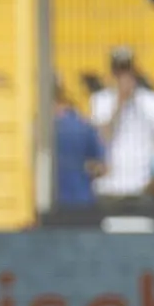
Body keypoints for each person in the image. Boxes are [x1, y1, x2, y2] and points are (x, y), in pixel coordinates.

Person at [90, 47, 154, 208]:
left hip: (144, 185)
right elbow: (102, 139)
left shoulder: (152, 101)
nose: (123, 76)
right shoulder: (100, 100)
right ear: (112, 73)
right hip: (111, 186)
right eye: (119, 71)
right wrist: (120, 103)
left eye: (127, 70)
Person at [53, 77, 106, 209]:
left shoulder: (39, 129)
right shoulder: (83, 125)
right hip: (82, 200)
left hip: (50, 203)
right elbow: (101, 168)